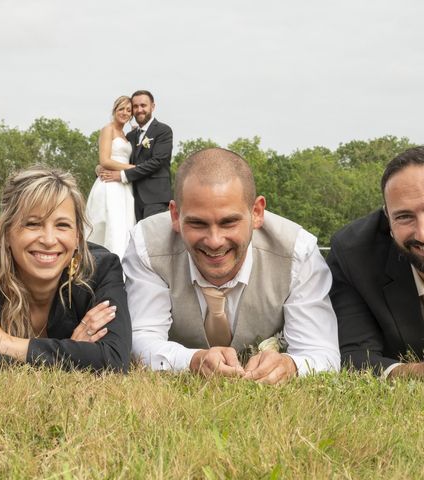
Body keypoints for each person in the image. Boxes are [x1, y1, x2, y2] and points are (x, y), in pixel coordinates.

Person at [123, 147, 340, 384]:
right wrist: (192, 360)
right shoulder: (147, 244)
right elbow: (139, 340)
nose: (214, 241)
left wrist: (291, 365)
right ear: (175, 216)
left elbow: (322, 352)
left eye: (229, 222)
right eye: (197, 223)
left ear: (257, 212)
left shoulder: (298, 252)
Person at [0, 166, 132, 373]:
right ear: (6, 232)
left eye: (62, 225)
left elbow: (114, 361)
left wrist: (1, 342)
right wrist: (72, 354)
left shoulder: (101, 269)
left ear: (77, 238)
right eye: (33, 224)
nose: (48, 240)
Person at [327, 146, 424, 378]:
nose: (421, 233)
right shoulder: (354, 254)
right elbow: (355, 355)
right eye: (404, 217)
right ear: (387, 219)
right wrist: (414, 372)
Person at [99, 90, 173, 221]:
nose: (139, 110)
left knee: (153, 239)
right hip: (131, 197)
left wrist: (122, 175)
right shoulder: (130, 136)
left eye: (143, 105)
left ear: (152, 107)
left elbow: (157, 162)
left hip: (155, 199)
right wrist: (99, 168)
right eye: (135, 106)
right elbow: (117, 159)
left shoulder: (163, 131)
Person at [85, 95, 136, 259]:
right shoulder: (108, 129)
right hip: (109, 184)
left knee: (124, 227)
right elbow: (105, 160)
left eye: (129, 110)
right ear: (114, 110)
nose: (125, 112)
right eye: (121, 109)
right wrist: (133, 168)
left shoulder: (126, 135)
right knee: (111, 225)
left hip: (124, 185)